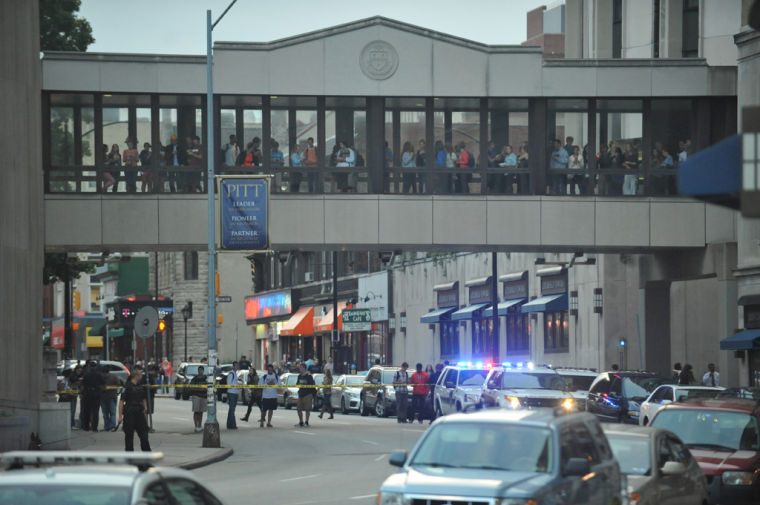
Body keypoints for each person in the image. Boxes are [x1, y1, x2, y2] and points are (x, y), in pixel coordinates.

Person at [118, 365, 151, 451]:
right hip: (130, 412)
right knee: (129, 435)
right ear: (136, 376)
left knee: (144, 434)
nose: (141, 376)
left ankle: (147, 453)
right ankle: (130, 455)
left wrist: (145, 407)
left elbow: (143, 398)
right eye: (140, 374)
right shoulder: (127, 386)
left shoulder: (140, 386)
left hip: (139, 412)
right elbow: (121, 401)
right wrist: (120, 416)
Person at [81, 361, 104, 431]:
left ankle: (86, 427)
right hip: (96, 394)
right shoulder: (99, 375)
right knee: (95, 412)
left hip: (87, 394)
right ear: (95, 367)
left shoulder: (86, 375)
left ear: (89, 367)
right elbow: (103, 383)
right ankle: (94, 427)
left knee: (87, 411)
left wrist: (82, 393)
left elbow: (83, 385)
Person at [295, 363, 316, 427]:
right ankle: (301, 421)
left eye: (301, 368)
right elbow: (297, 384)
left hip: (308, 394)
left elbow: (311, 384)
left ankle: (306, 422)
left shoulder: (309, 375)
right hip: (301, 393)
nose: (300, 369)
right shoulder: (299, 376)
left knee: (307, 409)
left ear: (304, 368)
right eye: (299, 368)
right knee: (299, 409)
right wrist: (299, 385)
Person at [101, 367, 120, 432]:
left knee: (112, 413)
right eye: (103, 374)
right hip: (103, 398)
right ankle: (106, 427)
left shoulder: (113, 377)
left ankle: (112, 426)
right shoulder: (101, 377)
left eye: (105, 374)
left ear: (108, 372)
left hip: (112, 397)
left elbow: (118, 384)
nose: (105, 375)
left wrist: (110, 387)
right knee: (105, 414)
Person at [190, 365, 208, 432]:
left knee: (201, 412)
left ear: (203, 371)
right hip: (196, 396)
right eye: (199, 370)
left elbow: (209, 385)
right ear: (198, 371)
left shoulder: (206, 378)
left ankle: (200, 426)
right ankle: (196, 426)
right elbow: (191, 387)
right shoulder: (195, 378)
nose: (200, 371)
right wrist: (199, 388)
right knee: (196, 411)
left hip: (203, 396)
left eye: (201, 370)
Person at [226, 361, 240, 429]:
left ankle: (229, 424)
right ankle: (232, 425)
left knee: (231, 410)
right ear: (233, 366)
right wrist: (235, 386)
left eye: (238, 365)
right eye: (236, 365)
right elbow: (229, 384)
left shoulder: (235, 373)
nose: (237, 367)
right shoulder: (231, 374)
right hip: (232, 393)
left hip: (235, 393)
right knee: (232, 409)